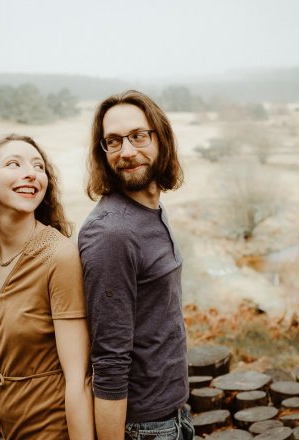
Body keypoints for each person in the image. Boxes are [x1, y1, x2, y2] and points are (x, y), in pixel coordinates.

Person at [0, 134, 94, 439]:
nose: (31, 173)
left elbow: (79, 379)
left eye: (39, 166)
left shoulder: (59, 257)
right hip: (7, 429)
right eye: (14, 164)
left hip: (53, 429)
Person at [78, 90, 194, 440]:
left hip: (173, 413)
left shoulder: (150, 209)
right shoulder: (113, 233)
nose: (126, 152)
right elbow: (109, 358)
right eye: (113, 141)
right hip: (144, 428)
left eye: (138, 136)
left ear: (162, 138)